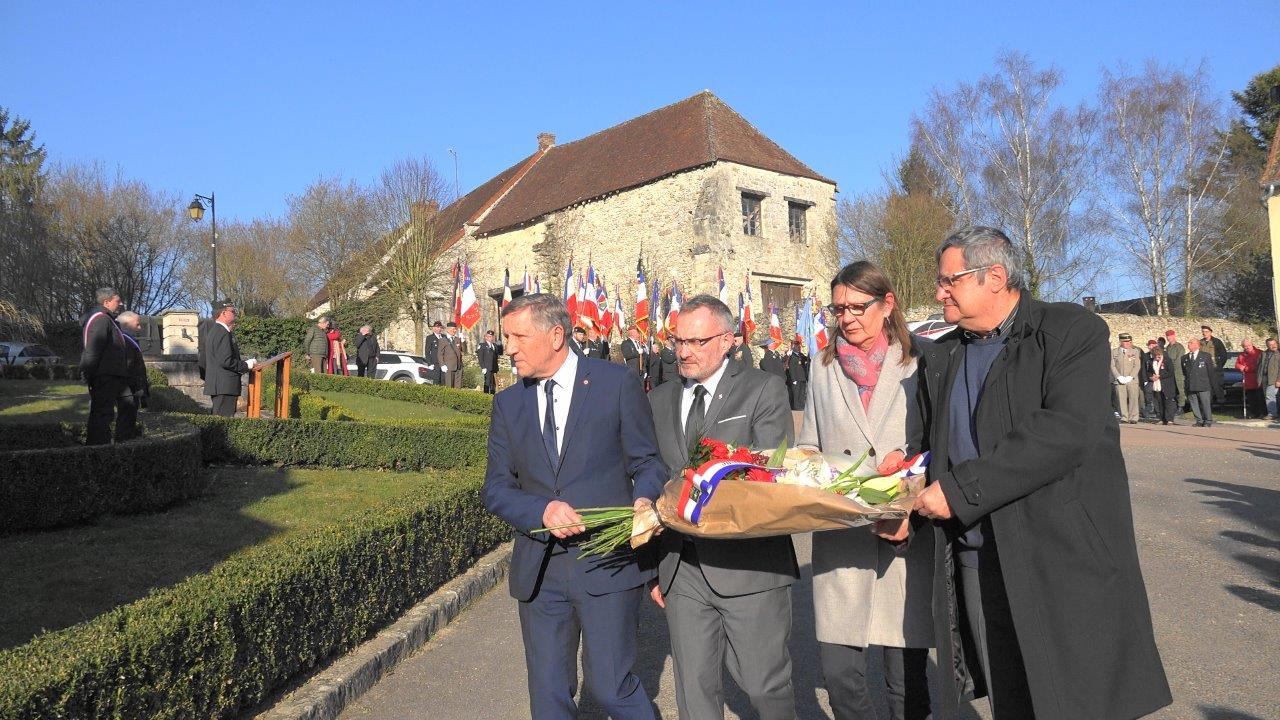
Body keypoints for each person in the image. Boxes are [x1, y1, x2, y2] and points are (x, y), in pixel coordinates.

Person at [912, 227, 1170, 720]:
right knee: (1011, 700)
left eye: (949, 280)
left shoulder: (1070, 331)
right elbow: (935, 441)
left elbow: (1066, 432)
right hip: (976, 556)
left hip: (1056, 557)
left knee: (1072, 700)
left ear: (994, 277)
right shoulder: (945, 354)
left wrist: (961, 488)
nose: (939, 291)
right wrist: (907, 475)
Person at [483, 293, 666, 720]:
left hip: (608, 564)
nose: (508, 347)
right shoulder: (508, 404)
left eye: (518, 336)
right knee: (548, 699)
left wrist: (645, 497)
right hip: (540, 573)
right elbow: (496, 488)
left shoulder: (615, 383)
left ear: (556, 335)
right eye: (507, 336)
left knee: (611, 688)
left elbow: (648, 461)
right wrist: (541, 512)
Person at [647, 295, 798, 720]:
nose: (683, 351)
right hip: (681, 567)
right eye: (678, 341)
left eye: (696, 341)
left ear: (729, 340)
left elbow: (770, 472)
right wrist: (651, 564)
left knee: (765, 686)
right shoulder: (659, 398)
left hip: (750, 566)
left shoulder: (762, 388)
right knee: (694, 691)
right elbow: (648, 474)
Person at [798, 262, 933, 720]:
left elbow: (939, 448)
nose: (848, 317)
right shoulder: (821, 367)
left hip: (905, 540)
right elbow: (809, 446)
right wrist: (815, 481)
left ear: (887, 303)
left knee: (906, 685)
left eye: (858, 306)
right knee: (840, 679)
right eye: (839, 309)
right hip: (840, 541)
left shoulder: (923, 361)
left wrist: (909, 507)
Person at [79, 287, 134, 445]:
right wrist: (88, 374)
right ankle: (98, 449)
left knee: (128, 405)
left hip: (115, 375)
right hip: (105, 376)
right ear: (106, 302)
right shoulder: (101, 319)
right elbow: (93, 349)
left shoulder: (108, 319)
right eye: (117, 301)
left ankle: (123, 442)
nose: (121, 303)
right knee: (102, 414)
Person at [202, 300, 253, 417]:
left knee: (220, 421)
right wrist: (247, 365)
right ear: (223, 313)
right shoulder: (222, 332)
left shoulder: (216, 331)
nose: (235, 313)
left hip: (221, 385)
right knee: (222, 425)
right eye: (233, 311)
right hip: (224, 386)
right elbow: (226, 361)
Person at [116, 311, 151, 425]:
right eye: (137, 324)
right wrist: (137, 388)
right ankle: (124, 442)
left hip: (130, 390)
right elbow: (129, 366)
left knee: (128, 420)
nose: (140, 328)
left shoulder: (127, 340)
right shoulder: (125, 341)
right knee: (126, 422)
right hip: (129, 391)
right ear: (126, 324)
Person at [1182, 338, 1215, 428]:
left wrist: (1212, 385)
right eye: (1188, 342)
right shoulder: (1184, 358)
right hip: (1191, 384)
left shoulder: (1205, 356)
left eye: (1191, 343)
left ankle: (1208, 420)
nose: (1189, 344)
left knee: (1205, 403)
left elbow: (1210, 372)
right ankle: (1199, 420)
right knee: (1194, 404)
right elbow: (1184, 372)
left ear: (1197, 345)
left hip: (1203, 384)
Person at [1111, 333, 1142, 424]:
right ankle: (1124, 416)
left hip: (1132, 379)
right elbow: (1112, 366)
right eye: (1126, 341)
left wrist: (1131, 376)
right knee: (1121, 399)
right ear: (1121, 341)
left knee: (1133, 398)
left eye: (1130, 341)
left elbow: (1137, 365)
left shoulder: (1135, 351)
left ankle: (1134, 417)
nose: (1128, 343)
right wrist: (1118, 376)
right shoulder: (1114, 352)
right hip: (1119, 379)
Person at [1148, 346, 1178, 425]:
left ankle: (1170, 419)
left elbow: (1170, 372)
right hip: (1157, 385)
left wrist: (1160, 376)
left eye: (1158, 356)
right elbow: (1149, 372)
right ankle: (1161, 418)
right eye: (1155, 356)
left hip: (1167, 384)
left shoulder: (1167, 360)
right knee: (1159, 402)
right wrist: (1151, 377)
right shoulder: (1151, 361)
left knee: (1168, 402)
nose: (1157, 358)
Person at [1201, 325, 1227, 403]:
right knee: (1207, 388)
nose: (1204, 333)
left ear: (1210, 332)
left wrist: (1219, 365)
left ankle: (1221, 404)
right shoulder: (1200, 342)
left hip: (1215, 368)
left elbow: (1224, 355)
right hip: (1204, 369)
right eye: (1203, 332)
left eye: (1206, 332)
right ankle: (1209, 404)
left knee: (1218, 386)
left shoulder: (1217, 342)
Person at [1237, 339, 1263, 417]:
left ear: (1252, 344)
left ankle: (1262, 413)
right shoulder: (1241, 355)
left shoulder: (1259, 353)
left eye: (1248, 346)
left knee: (1260, 398)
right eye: (1245, 346)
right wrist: (1240, 366)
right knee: (1251, 399)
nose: (1247, 347)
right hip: (1248, 381)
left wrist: (1246, 368)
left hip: (1258, 380)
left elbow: (1259, 366)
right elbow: (1237, 364)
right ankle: (1254, 413)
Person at [1164, 329, 1187, 411]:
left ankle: (1181, 406)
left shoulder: (1179, 347)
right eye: (1167, 336)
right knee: (1172, 390)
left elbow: (1178, 360)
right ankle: (1174, 406)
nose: (1168, 338)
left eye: (1170, 336)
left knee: (1180, 389)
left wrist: (1170, 365)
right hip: (1170, 372)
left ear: (1174, 336)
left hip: (1178, 371)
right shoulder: (1167, 348)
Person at [785, 339, 811, 412]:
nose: (799, 348)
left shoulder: (801, 355)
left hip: (802, 377)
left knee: (802, 393)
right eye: (797, 347)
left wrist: (810, 353)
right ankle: (796, 408)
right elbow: (791, 369)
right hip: (796, 378)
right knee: (796, 394)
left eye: (799, 347)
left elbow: (807, 360)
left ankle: (802, 406)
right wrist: (793, 379)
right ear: (794, 348)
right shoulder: (792, 356)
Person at [1260, 337, 1280, 420]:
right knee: (1273, 396)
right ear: (1267, 346)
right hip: (1265, 377)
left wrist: (1279, 380)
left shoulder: (1278, 354)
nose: (1273, 346)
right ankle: (1275, 413)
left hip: (1274, 378)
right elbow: (1260, 366)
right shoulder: (1264, 353)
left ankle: (1272, 414)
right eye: (1270, 345)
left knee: (1270, 396)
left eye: (1274, 344)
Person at [1139, 339, 1159, 420]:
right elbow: (1143, 368)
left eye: (1153, 345)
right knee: (1148, 395)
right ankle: (1148, 411)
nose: (1151, 347)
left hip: (1159, 378)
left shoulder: (1161, 354)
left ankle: (1158, 412)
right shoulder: (1146, 356)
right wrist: (1146, 379)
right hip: (1149, 379)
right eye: (1149, 345)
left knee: (1157, 396)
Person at [477, 330, 502, 394]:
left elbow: (500, 353)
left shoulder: (495, 345)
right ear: (485, 337)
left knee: (493, 383)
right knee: (487, 382)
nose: (490, 338)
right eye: (488, 336)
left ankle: (492, 395)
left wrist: (500, 345)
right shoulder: (482, 345)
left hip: (494, 368)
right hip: (487, 368)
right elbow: (480, 357)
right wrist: (483, 367)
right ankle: (486, 396)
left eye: (491, 336)